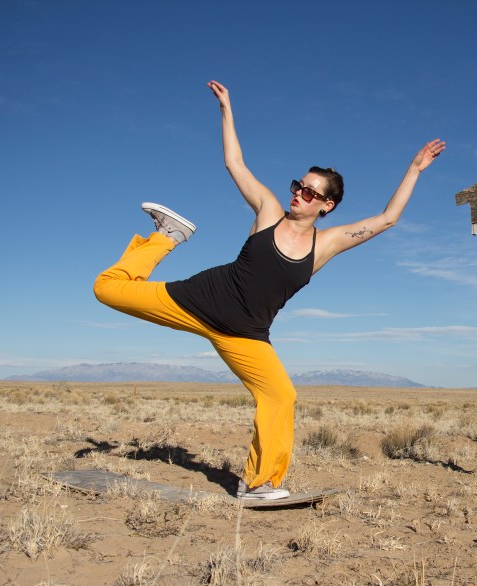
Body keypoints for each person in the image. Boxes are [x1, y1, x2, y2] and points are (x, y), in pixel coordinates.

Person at [93, 80, 445, 500]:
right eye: (298, 186)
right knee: (106, 288)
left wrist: (414, 169)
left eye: (310, 192)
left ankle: (259, 484)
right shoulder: (268, 211)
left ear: (327, 205)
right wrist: (227, 109)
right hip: (197, 300)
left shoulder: (326, 243)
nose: (299, 195)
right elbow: (234, 163)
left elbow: (387, 218)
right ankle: (168, 236)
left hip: (244, 334)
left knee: (280, 395)